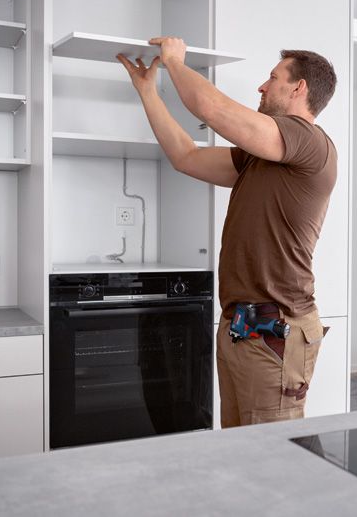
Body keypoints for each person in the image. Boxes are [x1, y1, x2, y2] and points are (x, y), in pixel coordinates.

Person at [118, 37, 337, 427]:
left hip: (277, 327)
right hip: (242, 324)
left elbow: (212, 109)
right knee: (239, 449)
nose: (262, 86)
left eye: (273, 78)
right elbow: (186, 157)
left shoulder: (308, 141)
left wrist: (175, 63)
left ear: (299, 88)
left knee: (271, 458)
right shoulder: (261, 155)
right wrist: (149, 92)